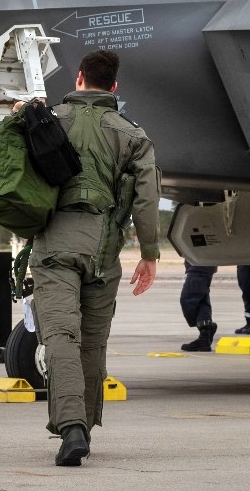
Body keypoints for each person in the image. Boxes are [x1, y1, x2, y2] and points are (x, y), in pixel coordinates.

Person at [28, 49, 160, 467]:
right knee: (92, 342)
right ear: (114, 88)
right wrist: (150, 253)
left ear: (79, 78)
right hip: (105, 251)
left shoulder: (47, 120)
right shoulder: (133, 134)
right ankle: (83, 424)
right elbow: (147, 199)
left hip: (54, 246)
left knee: (60, 337)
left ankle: (72, 429)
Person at [180, 261, 218, 351]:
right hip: (203, 265)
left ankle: (206, 328)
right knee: (201, 300)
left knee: (188, 299)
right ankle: (204, 338)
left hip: (199, 265)